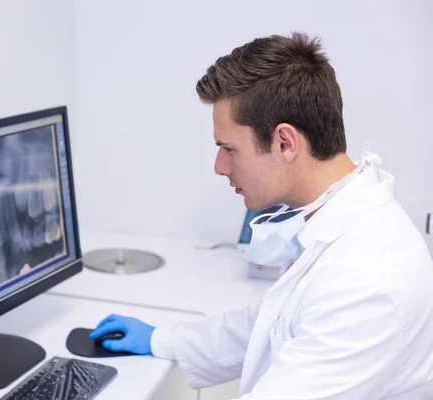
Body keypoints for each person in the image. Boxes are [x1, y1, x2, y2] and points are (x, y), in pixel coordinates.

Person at [90, 33, 433, 399]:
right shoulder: (336, 220)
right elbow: (271, 323)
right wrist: (163, 340)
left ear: (285, 143)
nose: (220, 167)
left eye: (229, 149)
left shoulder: (366, 280)